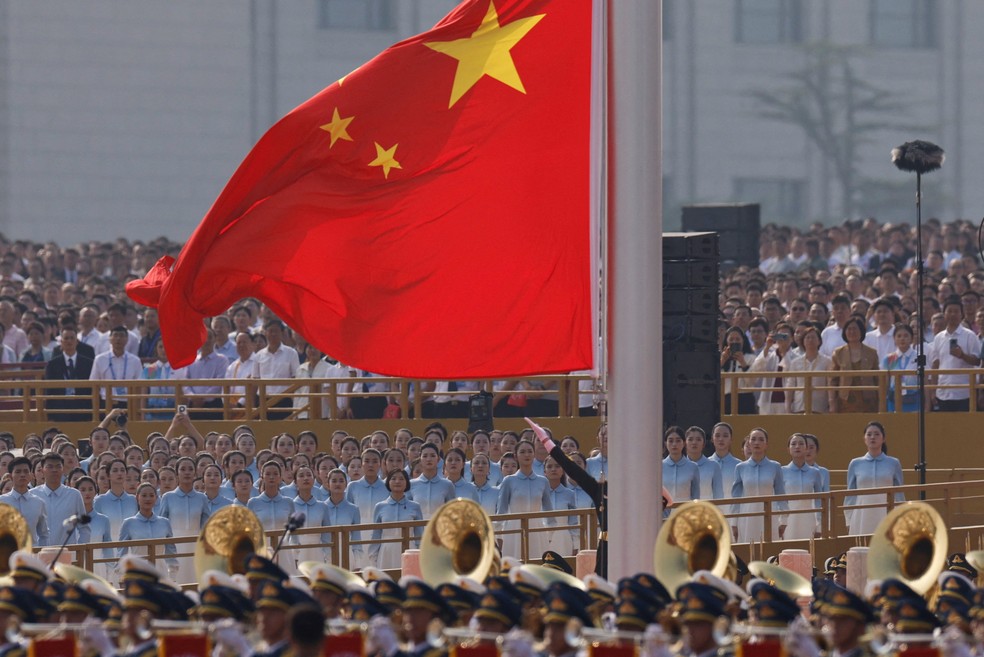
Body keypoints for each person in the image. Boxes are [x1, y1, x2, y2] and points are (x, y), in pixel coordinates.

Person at [496, 439, 553, 560]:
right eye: (522, 452)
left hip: (537, 529)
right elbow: (501, 512)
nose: (526, 455)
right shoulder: (509, 481)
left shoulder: (543, 481)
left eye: (529, 451)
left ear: (534, 454)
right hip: (514, 530)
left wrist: (549, 535)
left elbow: (550, 513)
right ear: (516, 456)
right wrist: (500, 537)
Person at [845, 421, 904, 535]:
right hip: (862, 513)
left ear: (883, 438)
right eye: (869, 434)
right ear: (864, 439)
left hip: (886, 511)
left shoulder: (893, 463)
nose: (873, 437)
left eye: (877, 434)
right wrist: (848, 519)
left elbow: (899, 493)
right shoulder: (855, 463)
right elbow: (850, 495)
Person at [158, 456, 210, 583]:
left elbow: (207, 526)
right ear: (177, 474)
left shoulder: (202, 498)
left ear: (195, 472)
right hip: (173, 546)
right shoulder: (168, 497)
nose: (187, 472)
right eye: (183, 469)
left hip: (195, 545)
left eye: (190, 469)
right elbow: (162, 525)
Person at [730, 428, 786, 542]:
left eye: (761, 439)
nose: (757, 443)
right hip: (747, 515)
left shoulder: (775, 466)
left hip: (769, 513)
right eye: (753, 439)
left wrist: (784, 520)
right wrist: (734, 522)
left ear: (766, 444)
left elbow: (781, 495)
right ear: (749, 443)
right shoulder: (740, 467)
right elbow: (735, 497)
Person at [117, 482, 178, 579]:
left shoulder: (164, 522)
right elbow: (121, 552)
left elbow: (171, 550)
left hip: (160, 571)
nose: (148, 499)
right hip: (137, 571)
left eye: (151, 495)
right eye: (144, 495)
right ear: (137, 497)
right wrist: (121, 574)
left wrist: (173, 572)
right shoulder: (128, 523)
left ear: (156, 498)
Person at [931, 296, 981, 412]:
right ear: (944, 314)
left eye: (956, 311)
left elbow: (977, 361)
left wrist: (962, 355)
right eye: (949, 311)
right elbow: (935, 365)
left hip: (964, 392)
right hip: (943, 391)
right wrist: (933, 390)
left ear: (961, 314)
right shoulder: (939, 337)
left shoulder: (970, 335)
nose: (953, 314)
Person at [30, 452, 89, 545]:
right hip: (40, 555)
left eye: (58, 466)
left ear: (63, 469)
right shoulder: (32, 495)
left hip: (68, 554)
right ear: (42, 470)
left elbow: (84, 528)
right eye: (50, 467)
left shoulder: (74, 495)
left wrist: (79, 553)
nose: (54, 470)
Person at [369, 469, 422, 570]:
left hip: (409, 550)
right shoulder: (380, 506)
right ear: (388, 482)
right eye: (393, 479)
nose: (397, 481)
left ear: (407, 482)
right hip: (386, 552)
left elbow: (419, 536)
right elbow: (376, 536)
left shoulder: (415, 506)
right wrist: (373, 558)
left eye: (401, 479)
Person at [829, 316, 880, 413]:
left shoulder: (871, 353)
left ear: (861, 331)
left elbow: (877, 379)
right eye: (849, 329)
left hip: (868, 401)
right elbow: (833, 380)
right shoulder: (838, 353)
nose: (852, 332)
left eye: (855, 329)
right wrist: (832, 402)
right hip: (845, 400)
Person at [43, 327, 94, 421]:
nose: (69, 341)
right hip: (60, 409)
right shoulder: (52, 364)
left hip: (82, 408)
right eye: (66, 338)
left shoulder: (88, 363)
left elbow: (91, 389)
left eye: (72, 338)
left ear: (77, 341)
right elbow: (49, 391)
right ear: (61, 342)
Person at [252, 319, 299, 420]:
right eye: (270, 331)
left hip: (284, 400)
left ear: (282, 333)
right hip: (263, 400)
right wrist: (252, 406)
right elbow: (255, 381)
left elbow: (295, 378)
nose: (273, 334)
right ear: (265, 333)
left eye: (276, 331)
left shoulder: (291, 353)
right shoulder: (258, 355)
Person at [89, 325, 143, 410]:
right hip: (106, 402)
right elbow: (94, 384)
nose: (118, 338)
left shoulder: (135, 360)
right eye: (115, 335)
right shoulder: (100, 359)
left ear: (127, 339)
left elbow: (140, 385)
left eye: (121, 335)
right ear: (110, 339)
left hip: (128, 403)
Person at [780, 434, 822, 540]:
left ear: (806, 448)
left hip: (808, 518)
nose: (797, 446)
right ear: (788, 449)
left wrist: (819, 524)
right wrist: (780, 521)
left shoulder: (815, 472)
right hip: (788, 519)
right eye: (793, 444)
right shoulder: (782, 471)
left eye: (801, 443)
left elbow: (819, 500)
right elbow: (778, 500)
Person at [0, 456, 48, 544]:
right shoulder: (2, 501)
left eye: (26, 471)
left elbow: (44, 534)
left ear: (31, 475)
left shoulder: (38, 503)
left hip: (31, 553)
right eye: (18, 472)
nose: (22, 475)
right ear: (10, 476)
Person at [749, 325, 795, 414]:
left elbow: (790, 371)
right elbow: (756, 369)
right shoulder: (769, 355)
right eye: (780, 335)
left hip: (788, 402)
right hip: (767, 401)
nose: (782, 338)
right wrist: (767, 346)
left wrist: (784, 353)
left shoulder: (796, 357)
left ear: (792, 338)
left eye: (785, 335)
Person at [785, 325, 832, 413]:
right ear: (803, 341)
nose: (810, 340)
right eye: (807, 337)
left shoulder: (827, 361)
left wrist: (831, 406)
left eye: (813, 337)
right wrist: (788, 409)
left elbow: (830, 385)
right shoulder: (795, 363)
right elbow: (790, 387)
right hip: (799, 408)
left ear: (819, 341)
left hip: (820, 409)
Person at [408, 443, 455, 519]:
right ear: (420, 458)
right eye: (425, 456)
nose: (429, 459)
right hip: (417, 530)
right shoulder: (411, 484)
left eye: (432, 456)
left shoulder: (447, 485)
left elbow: (452, 512)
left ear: (438, 459)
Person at [543, 455, 578, 555]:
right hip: (542, 536)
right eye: (549, 467)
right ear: (544, 472)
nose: (553, 469)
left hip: (563, 537)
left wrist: (576, 545)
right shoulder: (539, 493)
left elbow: (573, 523)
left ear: (563, 470)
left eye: (557, 466)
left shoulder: (569, 494)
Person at [883, 323, 920, 412]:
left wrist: (927, 406)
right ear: (894, 339)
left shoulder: (918, 357)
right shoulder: (889, 358)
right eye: (899, 336)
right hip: (893, 401)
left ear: (911, 338)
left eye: (906, 336)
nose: (902, 339)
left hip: (914, 401)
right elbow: (886, 384)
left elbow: (925, 381)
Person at [720, 326, 756, 414]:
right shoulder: (720, 358)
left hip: (745, 398)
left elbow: (752, 383)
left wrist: (743, 363)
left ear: (743, 341)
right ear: (726, 341)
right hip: (726, 399)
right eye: (731, 339)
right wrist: (723, 360)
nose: (734, 342)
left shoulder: (751, 358)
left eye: (737, 339)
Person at [663, 426, 701, 505]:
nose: (674, 444)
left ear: (684, 443)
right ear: (665, 443)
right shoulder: (659, 467)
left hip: (685, 513)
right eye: (670, 441)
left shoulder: (693, 467)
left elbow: (695, 496)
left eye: (678, 441)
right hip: (664, 514)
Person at [685, 426, 723, 499]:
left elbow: (719, 495)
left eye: (698, 439)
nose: (694, 442)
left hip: (706, 509)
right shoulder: (681, 466)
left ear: (703, 444)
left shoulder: (713, 466)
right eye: (690, 439)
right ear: (685, 443)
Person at [708, 422, 741, 497]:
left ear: (731, 439)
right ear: (712, 439)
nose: (721, 439)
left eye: (725, 436)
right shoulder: (705, 464)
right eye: (717, 435)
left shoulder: (739, 466)